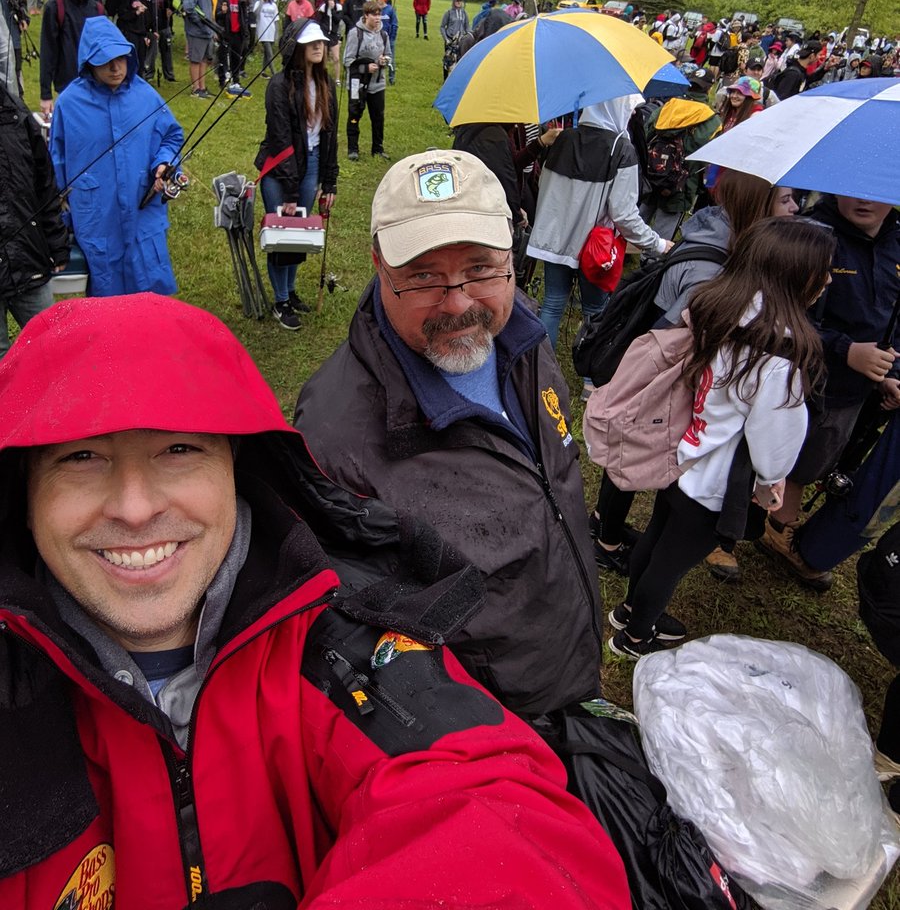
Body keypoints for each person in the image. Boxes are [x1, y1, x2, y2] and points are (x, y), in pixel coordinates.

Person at [0, 292, 630, 908]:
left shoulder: (340, 645)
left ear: (236, 466)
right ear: (23, 493)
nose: (135, 508)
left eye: (178, 450)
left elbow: (516, 828)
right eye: (82, 458)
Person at [295, 150, 604, 719]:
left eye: (480, 269)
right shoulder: (335, 438)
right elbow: (350, 634)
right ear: (378, 266)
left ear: (511, 260)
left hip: (571, 655)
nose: (459, 302)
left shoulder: (525, 336)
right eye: (423, 277)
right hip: (497, 724)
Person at [586, 216, 834, 658]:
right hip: (717, 485)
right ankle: (636, 635)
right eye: (824, 270)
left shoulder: (722, 312)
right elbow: (774, 450)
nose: (830, 278)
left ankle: (627, 610)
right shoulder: (781, 357)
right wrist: (773, 478)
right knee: (672, 561)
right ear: (799, 278)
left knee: (658, 536)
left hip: (684, 454)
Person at [593, 170, 799, 583]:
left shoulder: (720, 238)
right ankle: (605, 537)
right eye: (785, 200)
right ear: (758, 205)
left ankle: (605, 525)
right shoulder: (716, 266)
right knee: (635, 444)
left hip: (659, 369)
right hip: (659, 377)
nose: (793, 209)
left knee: (633, 443)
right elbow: (684, 334)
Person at [759, 194, 900, 589]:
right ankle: (725, 534)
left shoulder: (896, 243)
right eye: (854, 189)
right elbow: (781, 314)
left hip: (851, 392)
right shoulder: (810, 236)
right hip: (795, 374)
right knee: (758, 449)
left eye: (878, 193)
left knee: (814, 457)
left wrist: (889, 372)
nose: (863, 201)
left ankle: (779, 526)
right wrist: (845, 350)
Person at [50, 18, 184, 296]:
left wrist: (163, 164)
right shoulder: (69, 104)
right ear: (89, 63)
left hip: (143, 214)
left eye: (120, 58)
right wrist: (59, 225)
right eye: (105, 61)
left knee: (150, 297)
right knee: (107, 300)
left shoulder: (145, 96)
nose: (115, 67)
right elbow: (56, 166)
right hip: (98, 218)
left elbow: (171, 136)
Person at [527, 97, 671, 350]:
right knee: (595, 310)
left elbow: (546, 187)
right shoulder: (621, 148)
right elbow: (624, 214)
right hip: (596, 248)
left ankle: (541, 369)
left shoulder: (563, 139)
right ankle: (590, 381)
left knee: (552, 303)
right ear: (620, 108)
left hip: (556, 239)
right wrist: (656, 244)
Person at [255, 20, 338, 329]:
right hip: (281, 169)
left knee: (299, 234)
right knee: (281, 233)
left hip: (312, 163)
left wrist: (329, 182)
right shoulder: (279, 85)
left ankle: (290, 291)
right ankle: (280, 300)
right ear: (296, 48)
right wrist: (290, 192)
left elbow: (330, 138)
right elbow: (280, 139)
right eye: (311, 42)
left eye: (321, 42)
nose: (319, 47)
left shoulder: (326, 85)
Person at [0, 81, 69, 356]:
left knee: (53, 346)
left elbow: (45, 186)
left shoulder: (16, 113)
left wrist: (56, 242)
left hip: (28, 258)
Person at [640, 67, 720, 240]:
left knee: (639, 216)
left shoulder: (668, 107)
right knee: (664, 231)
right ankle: (650, 262)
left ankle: (619, 253)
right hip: (680, 185)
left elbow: (646, 133)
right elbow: (704, 158)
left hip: (652, 173)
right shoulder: (712, 119)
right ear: (709, 88)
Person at [38, 0, 105, 119]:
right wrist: (46, 94)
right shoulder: (55, 6)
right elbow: (47, 51)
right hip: (68, 87)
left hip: (95, 86)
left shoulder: (98, 10)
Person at [342, 0, 391, 161]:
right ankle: (352, 148)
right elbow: (348, 61)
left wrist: (385, 60)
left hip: (378, 84)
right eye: (374, 15)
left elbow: (389, 56)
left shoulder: (383, 34)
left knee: (378, 116)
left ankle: (378, 148)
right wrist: (366, 68)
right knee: (355, 114)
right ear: (365, 16)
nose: (377, 18)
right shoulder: (355, 33)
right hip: (357, 83)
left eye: (379, 15)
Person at [182, 0, 216, 97]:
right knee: (195, 60)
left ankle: (202, 87)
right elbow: (189, 7)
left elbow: (208, 8)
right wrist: (201, 24)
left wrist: (211, 28)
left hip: (206, 31)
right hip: (196, 31)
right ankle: (195, 89)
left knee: (204, 60)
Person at [114, 0, 152, 76]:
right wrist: (136, 13)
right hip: (129, 33)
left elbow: (145, 19)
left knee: (140, 61)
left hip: (140, 33)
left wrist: (145, 34)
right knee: (131, 61)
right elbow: (122, 15)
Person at [215, 0, 250, 88]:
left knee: (236, 56)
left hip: (238, 32)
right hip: (226, 31)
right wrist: (223, 12)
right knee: (223, 56)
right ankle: (222, 78)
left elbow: (244, 15)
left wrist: (245, 30)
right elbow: (217, 15)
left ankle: (236, 79)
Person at [145, 0, 175, 82]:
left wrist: (171, 10)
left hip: (164, 24)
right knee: (152, 52)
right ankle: (149, 73)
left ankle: (169, 74)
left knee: (167, 50)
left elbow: (173, 4)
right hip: (152, 25)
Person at [315, 0, 344, 83]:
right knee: (324, 57)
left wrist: (332, 10)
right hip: (325, 34)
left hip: (334, 34)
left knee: (336, 58)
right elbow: (319, 20)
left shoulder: (338, 7)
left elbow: (338, 19)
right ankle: (322, 76)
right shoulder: (323, 8)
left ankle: (337, 79)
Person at [255, 0, 280, 76]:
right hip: (263, 32)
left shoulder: (273, 5)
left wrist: (276, 34)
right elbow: (255, 15)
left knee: (266, 53)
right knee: (270, 53)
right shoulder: (258, 4)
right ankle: (274, 73)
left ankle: (263, 71)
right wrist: (261, 3)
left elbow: (276, 20)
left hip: (271, 32)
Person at [375, 0, 398, 84]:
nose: (376, 0)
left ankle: (391, 78)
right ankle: (378, 75)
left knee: (390, 58)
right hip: (377, 37)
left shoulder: (390, 10)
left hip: (388, 38)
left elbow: (395, 24)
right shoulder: (376, 10)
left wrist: (392, 37)